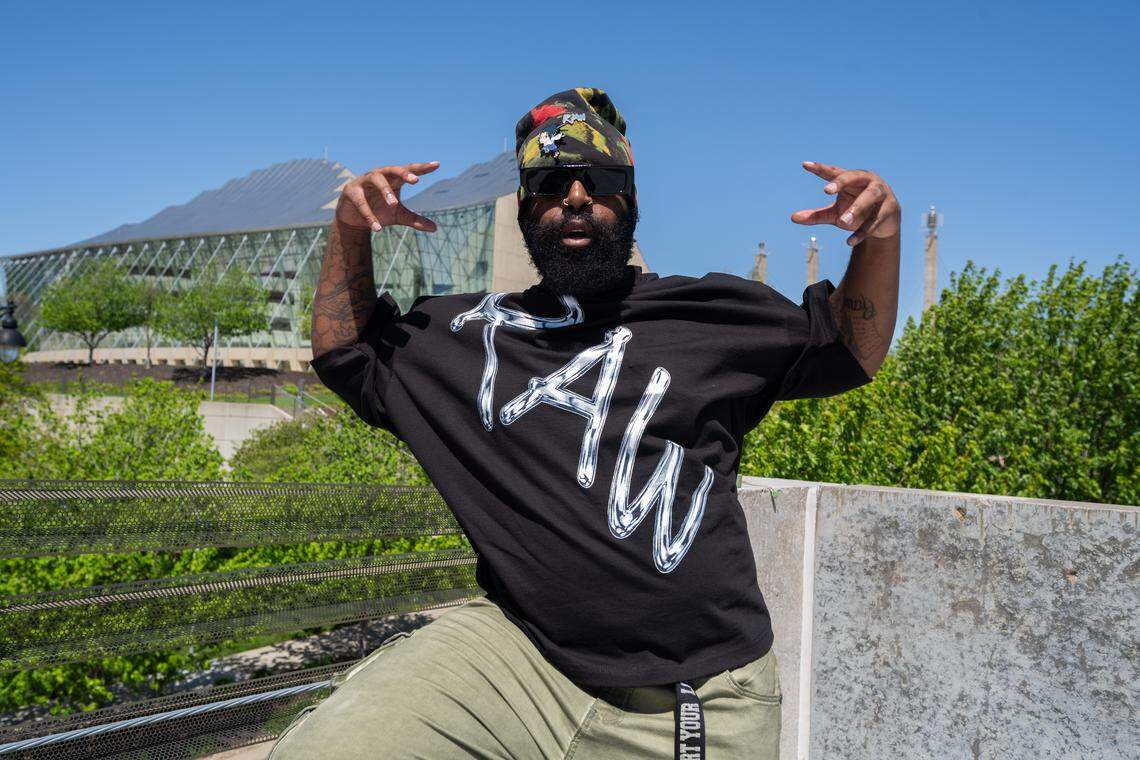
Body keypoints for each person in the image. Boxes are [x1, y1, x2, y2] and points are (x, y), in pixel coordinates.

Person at [269, 87, 900, 760]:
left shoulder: (711, 314)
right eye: (548, 183)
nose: (574, 196)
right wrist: (349, 230)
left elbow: (851, 349)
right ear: (523, 209)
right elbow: (344, 350)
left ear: (628, 203)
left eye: (597, 181)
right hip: (519, 657)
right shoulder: (459, 336)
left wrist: (881, 237)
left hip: (693, 692)